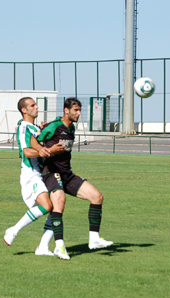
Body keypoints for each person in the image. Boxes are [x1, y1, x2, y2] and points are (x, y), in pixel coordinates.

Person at [37, 97, 113, 260]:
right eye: (76, 110)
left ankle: (94, 240)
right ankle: (59, 247)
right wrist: (49, 150)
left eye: (80, 110)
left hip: (67, 174)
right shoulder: (53, 127)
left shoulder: (71, 128)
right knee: (60, 203)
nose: (79, 113)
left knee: (97, 197)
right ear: (66, 110)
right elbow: (35, 144)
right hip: (51, 172)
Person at [3, 97, 64, 256]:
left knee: (57, 207)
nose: (36, 107)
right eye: (32, 105)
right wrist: (49, 150)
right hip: (31, 174)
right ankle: (13, 230)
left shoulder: (34, 127)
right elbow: (26, 151)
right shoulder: (23, 128)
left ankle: (43, 247)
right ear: (24, 110)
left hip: (44, 173)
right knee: (46, 206)